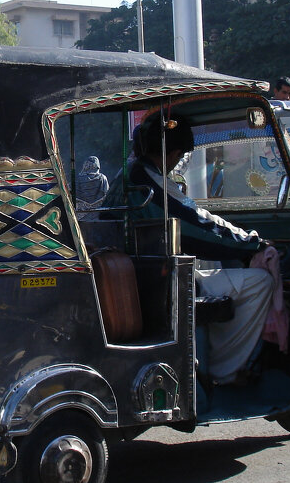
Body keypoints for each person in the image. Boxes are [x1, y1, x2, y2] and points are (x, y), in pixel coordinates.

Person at [107, 112, 274, 384]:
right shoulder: (149, 182)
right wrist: (250, 244)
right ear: (173, 153)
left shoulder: (128, 174)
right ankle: (223, 371)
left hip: (140, 276)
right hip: (160, 284)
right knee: (260, 282)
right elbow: (198, 228)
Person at [74, 155, 108, 220]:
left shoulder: (78, 178)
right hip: (98, 214)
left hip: (81, 215)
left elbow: (76, 195)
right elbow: (105, 194)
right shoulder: (103, 178)